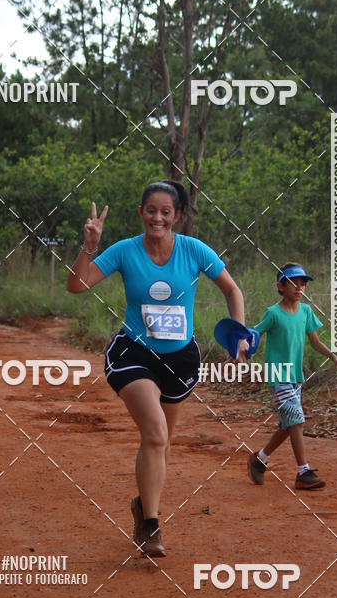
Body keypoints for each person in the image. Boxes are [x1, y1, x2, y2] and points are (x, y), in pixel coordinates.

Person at [66, 181, 248, 558]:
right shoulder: (125, 250)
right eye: (151, 210)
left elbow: (232, 290)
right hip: (133, 354)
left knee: (162, 444)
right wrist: (90, 245)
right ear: (141, 213)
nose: (158, 218)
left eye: (166, 212)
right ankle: (151, 525)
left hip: (180, 360)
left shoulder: (194, 250)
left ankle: (142, 504)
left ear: (177, 216)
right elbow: (77, 286)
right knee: (155, 432)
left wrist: (239, 334)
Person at [247, 262, 337, 491]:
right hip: (277, 376)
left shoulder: (306, 312)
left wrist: (333, 357)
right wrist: (242, 349)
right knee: (297, 421)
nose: (299, 288)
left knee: (288, 425)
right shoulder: (273, 313)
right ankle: (303, 472)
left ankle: (259, 459)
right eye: (294, 283)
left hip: (295, 377)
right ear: (280, 286)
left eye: (303, 284)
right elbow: (254, 334)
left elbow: (315, 341)